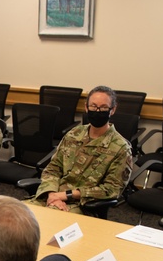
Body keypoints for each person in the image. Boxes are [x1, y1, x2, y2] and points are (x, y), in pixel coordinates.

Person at [27, 85, 133, 213]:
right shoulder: (74, 134)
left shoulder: (120, 148)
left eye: (104, 107)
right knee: (12, 213)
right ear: (86, 107)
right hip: (51, 197)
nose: (98, 111)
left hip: (81, 205)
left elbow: (111, 189)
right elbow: (53, 168)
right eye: (93, 106)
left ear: (113, 110)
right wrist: (51, 194)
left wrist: (67, 195)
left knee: (45, 225)